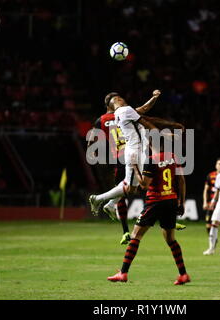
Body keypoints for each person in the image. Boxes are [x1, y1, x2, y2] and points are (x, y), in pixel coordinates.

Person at [107, 146, 190, 285]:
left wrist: (135, 167)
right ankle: (183, 275)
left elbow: (144, 184)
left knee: (136, 235)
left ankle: (123, 273)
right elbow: (181, 180)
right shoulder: (173, 156)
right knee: (171, 239)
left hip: (155, 202)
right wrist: (181, 202)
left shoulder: (151, 160)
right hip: (171, 200)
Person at [87, 90, 161, 244]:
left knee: (131, 187)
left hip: (119, 156)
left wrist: (93, 152)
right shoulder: (125, 111)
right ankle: (103, 202)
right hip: (131, 151)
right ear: (113, 102)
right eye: (120, 98)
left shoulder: (101, 120)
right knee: (133, 186)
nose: (122, 100)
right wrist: (154, 98)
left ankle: (112, 207)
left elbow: (92, 139)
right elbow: (143, 110)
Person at [203, 158, 220, 255]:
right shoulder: (211, 175)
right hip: (212, 205)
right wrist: (205, 202)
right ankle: (212, 246)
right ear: (216, 165)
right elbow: (206, 189)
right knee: (208, 226)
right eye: (218, 164)